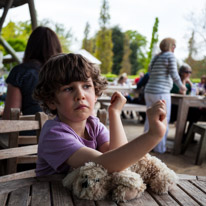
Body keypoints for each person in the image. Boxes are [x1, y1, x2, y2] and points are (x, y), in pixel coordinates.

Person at [33, 53, 167, 187]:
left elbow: (120, 159)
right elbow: (107, 164)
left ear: (96, 93)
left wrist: (114, 113)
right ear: (51, 101)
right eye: (68, 88)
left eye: (86, 86)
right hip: (50, 196)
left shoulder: (93, 125)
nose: (80, 95)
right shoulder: (54, 134)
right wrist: (153, 135)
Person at [2, 26, 62, 119]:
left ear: (30, 47)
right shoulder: (64, 73)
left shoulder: (20, 72)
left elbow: (10, 117)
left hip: (31, 132)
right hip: (64, 131)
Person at [144, 37, 186, 154]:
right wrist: (182, 87)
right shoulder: (170, 56)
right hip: (161, 92)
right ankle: (160, 148)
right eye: (174, 46)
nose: (174, 49)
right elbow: (174, 73)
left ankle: (145, 147)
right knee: (163, 120)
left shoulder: (156, 57)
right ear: (171, 46)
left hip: (149, 91)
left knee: (150, 118)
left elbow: (150, 73)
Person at [170, 65, 203, 141]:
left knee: (196, 112)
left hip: (186, 108)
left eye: (190, 72)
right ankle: (182, 138)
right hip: (175, 109)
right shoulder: (175, 83)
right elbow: (183, 93)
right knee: (189, 112)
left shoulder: (189, 83)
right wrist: (184, 81)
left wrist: (190, 83)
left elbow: (196, 92)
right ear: (181, 73)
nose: (189, 74)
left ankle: (188, 136)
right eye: (186, 72)